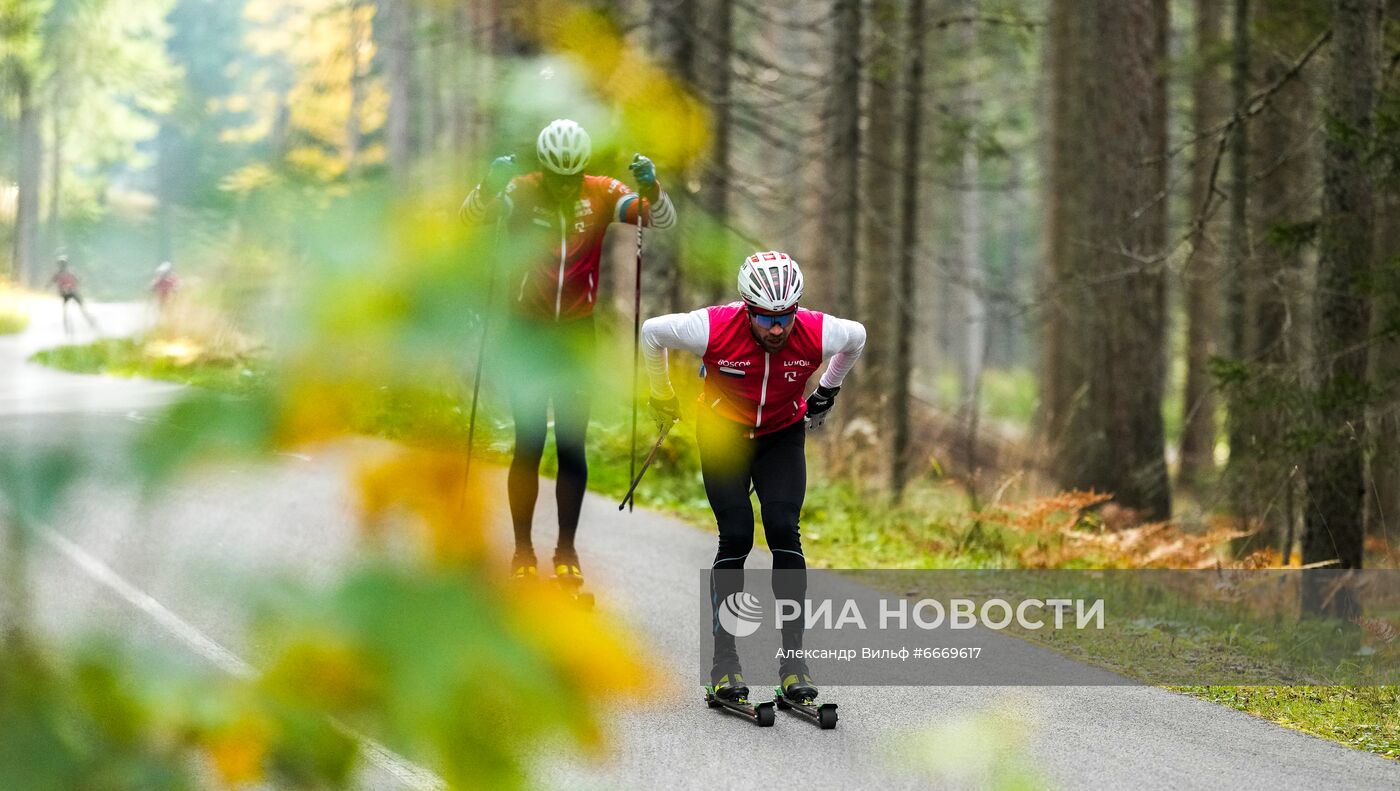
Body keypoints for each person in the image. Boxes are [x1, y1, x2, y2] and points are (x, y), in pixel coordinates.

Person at [640, 251, 866, 705]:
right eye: (765, 318)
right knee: (737, 535)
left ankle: (793, 665)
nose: (777, 329)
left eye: (785, 317)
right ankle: (724, 663)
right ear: (747, 309)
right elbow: (651, 333)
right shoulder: (711, 327)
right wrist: (661, 394)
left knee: (784, 530)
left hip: (781, 434)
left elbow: (856, 338)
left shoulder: (818, 331)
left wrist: (827, 390)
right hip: (723, 433)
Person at [460, 118, 677, 589]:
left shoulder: (600, 192)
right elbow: (470, 218)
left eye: (571, 176)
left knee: (572, 446)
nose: (563, 185)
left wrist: (653, 188)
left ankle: (566, 551)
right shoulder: (522, 190)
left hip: (577, 336)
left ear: (581, 170)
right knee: (529, 443)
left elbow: (659, 219)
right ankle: (522, 551)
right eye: (556, 177)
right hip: (528, 337)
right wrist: (489, 186)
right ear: (544, 167)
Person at [48, 254, 99, 336]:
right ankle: (89, 321)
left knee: (69, 309)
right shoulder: (69, 272)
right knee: (78, 308)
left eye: (62, 264)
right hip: (71, 292)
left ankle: (70, 326)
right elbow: (78, 280)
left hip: (67, 293)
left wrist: (48, 287)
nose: (62, 265)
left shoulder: (60, 273)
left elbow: (52, 282)